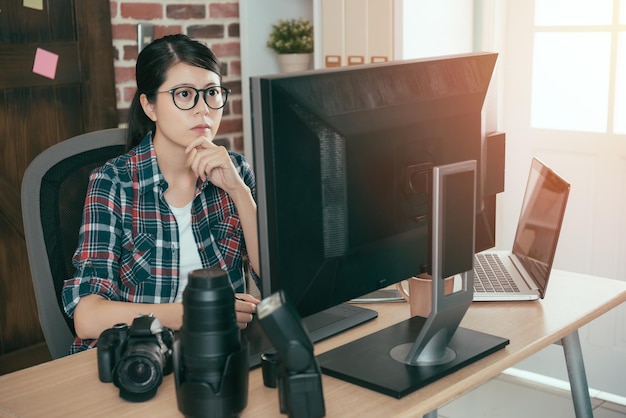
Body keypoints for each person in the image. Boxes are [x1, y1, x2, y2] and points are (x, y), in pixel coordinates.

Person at [62, 34, 260, 354]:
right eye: (184, 94)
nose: (203, 110)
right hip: (142, 357)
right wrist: (195, 314)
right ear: (149, 105)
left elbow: (275, 279)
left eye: (212, 93)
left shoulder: (234, 170)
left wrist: (239, 190)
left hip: (221, 353)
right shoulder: (113, 183)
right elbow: (87, 316)